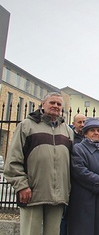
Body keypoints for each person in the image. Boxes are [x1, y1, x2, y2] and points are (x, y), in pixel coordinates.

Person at [4, 92, 73, 235]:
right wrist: (21, 186)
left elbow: (72, 162)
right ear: (43, 104)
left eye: (59, 104)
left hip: (58, 195)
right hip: (31, 193)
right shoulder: (26, 126)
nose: (55, 106)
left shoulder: (67, 130)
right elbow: (13, 160)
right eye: (52, 102)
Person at [68, 118, 99, 235]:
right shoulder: (78, 149)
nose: (96, 133)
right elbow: (79, 171)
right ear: (85, 133)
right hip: (84, 198)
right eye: (92, 130)